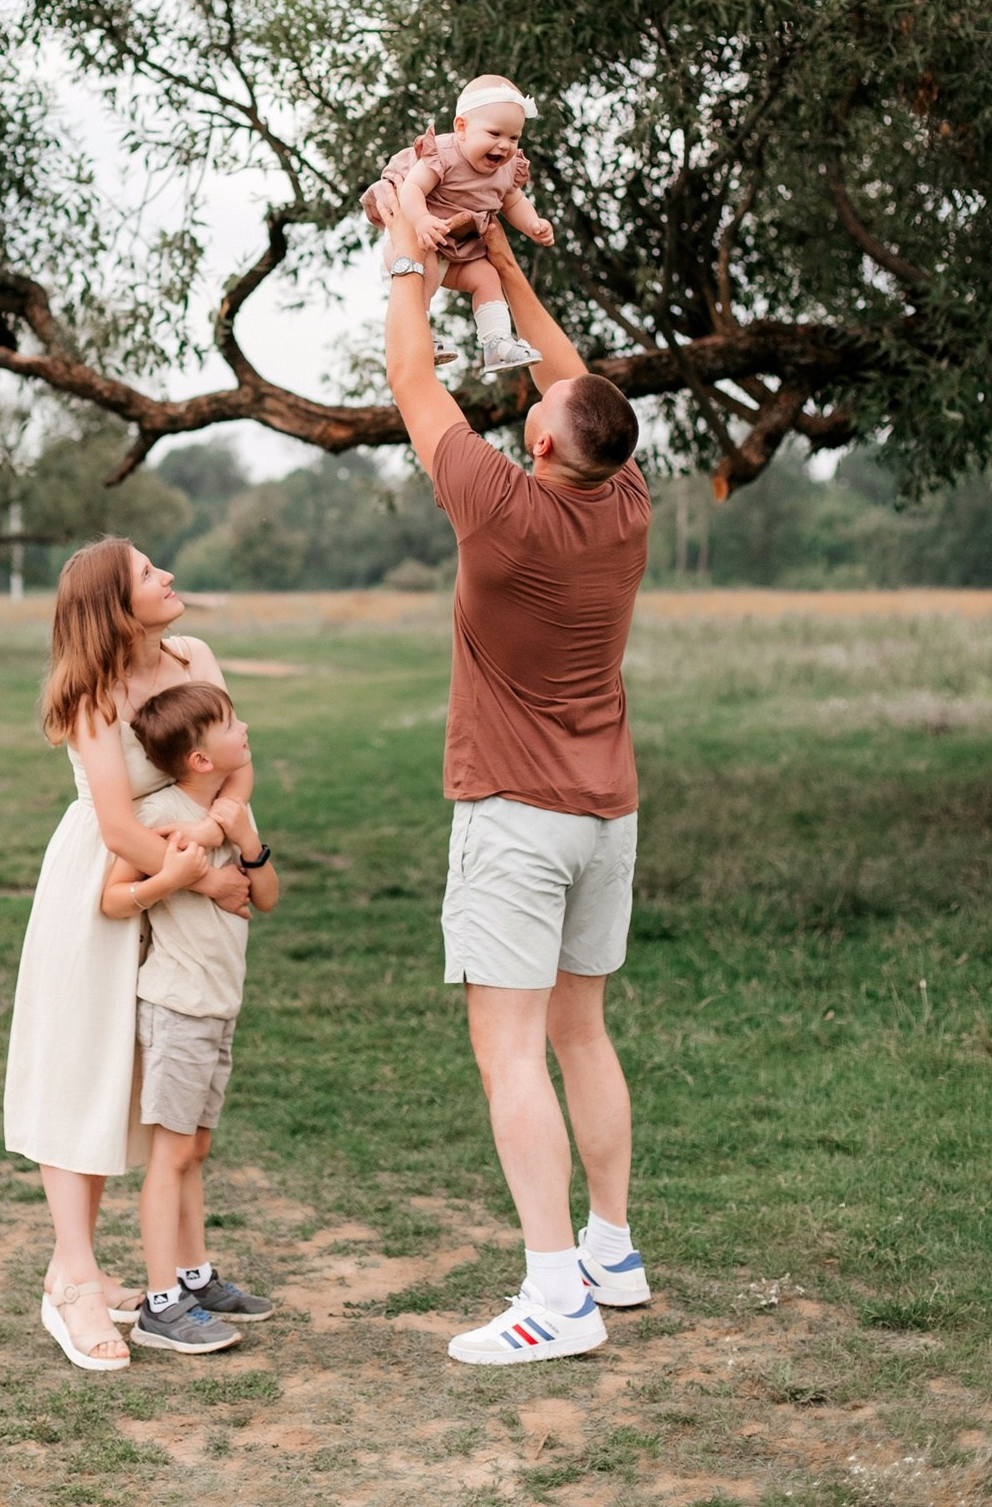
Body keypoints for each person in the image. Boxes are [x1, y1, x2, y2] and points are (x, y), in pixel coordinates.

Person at [383, 205, 652, 1366]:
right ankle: (612, 1247)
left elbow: (410, 375)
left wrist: (409, 257)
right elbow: (577, 377)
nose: (534, 394)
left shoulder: (500, 510)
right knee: (581, 1032)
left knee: (510, 1051)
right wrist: (490, 266)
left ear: (543, 446)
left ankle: (557, 1296)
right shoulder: (628, 500)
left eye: (537, 407)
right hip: (608, 818)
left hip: (518, 817)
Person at [3, 537, 253, 1374]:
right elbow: (117, 828)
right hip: (107, 890)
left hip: (186, 865)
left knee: (143, 1088)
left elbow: (229, 766)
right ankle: (74, 1280)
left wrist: (218, 839)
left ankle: (115, 1267)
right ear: (115, 603)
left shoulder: (195, 656)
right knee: (84, 1076)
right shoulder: (91, 692)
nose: (169, 576)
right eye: (149, 573)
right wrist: (196, 882)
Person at [100, 680, 279, 1354]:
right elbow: (115, 900)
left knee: (195, 1149)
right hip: (177, 1007)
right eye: (232, 723)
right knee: (171, 1157)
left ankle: (196, 1276)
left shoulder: (231, 813)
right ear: (200, 758)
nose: (245, 728)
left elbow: (266, 897)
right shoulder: (157, 816)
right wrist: (171, 880)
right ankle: (162, 1303)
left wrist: (248, 841)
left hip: (218, 1005)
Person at [361, 75, 554, 379]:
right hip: (416, 241)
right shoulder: (444, 154)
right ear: (462, 128)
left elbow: (514, 202)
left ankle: (497, 342)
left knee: (487, 276)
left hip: (459, 252)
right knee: (424, 271)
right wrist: (423, 220)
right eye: (494, 133)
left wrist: (534, 224)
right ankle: (419, 334)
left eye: (513, 138)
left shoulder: (506, 169)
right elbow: (411, 189)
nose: (504, 146)